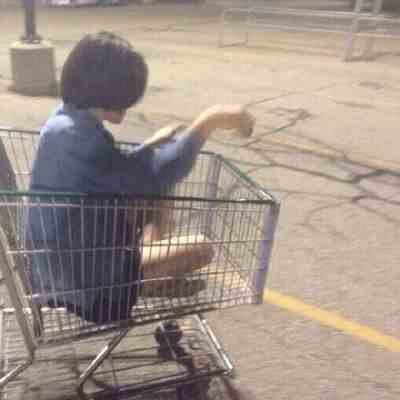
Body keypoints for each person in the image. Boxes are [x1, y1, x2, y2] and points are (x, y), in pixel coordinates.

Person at [26, 31, 255, 325]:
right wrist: (211, 120)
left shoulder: (66, 122)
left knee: (158, 194)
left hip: (74, 259)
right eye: (125, 96)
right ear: (106, 91)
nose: (128, 105)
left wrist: (148, 148)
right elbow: (155, 173)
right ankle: (148, 280)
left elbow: (111, 175)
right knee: (202, 248)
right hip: (86, 287)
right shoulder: (75, 136)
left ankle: (151, 273)